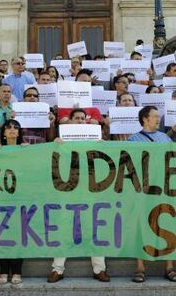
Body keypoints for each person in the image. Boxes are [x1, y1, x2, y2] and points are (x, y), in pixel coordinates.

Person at [48, 108, 110, 283]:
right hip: (68, 191)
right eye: (77, 118)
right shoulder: (61, 141)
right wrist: (55, 144)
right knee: (65, 228)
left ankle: (99, 269)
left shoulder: (96, 141)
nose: (81, 121)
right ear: (71, 121)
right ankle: (57, 269)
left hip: (91, 190)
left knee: (94, 228)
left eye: (83, 119)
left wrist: (102, 144)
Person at [128, 106, 176, 283]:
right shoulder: (133, 139)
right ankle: (140, 268)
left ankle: (169, 267)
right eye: (155, 116)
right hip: (143, 189)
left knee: (167, 224)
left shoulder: (165, 137)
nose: (159, 119)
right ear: (145, 119)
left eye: (159, 116)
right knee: (142, 225)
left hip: (164, 186)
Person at [0, 119, 26, 285]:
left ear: (19, 133)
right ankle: (3, 270)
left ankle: (17, 271)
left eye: (16, 128)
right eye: (9, 128)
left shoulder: (26, 150)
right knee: (1, 233)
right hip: (1, 198)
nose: (12, 130)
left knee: (18, 234)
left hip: (20, 199)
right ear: (3, 133)